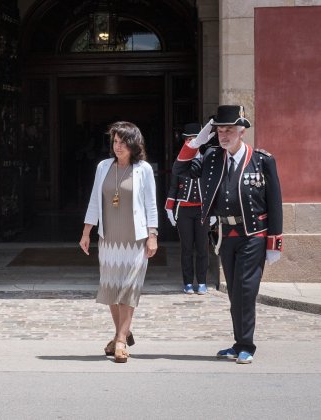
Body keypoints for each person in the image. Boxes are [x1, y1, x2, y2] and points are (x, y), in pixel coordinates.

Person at [172, 105, 283, 364]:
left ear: (242, 131)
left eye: (229, 130)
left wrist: (274, 242)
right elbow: (180, 170)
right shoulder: (212, 158)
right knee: (234, 290)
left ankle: (246, 345)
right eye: (220, 130)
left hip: (253, 234)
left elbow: (275, 203)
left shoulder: (262, 160)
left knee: (245, 289)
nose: (223, 135)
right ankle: (238, 343)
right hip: (225, 234)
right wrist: (197, 142)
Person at [79, 121, 158, 363]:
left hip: (135, 239)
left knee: (128, 289)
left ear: (134, 144)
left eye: (123, 142)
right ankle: (120, 334)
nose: (118, 146)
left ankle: (121, 340)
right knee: (111, 289)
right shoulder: (103, 166)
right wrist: (86, 232)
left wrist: (152, 235)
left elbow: (151, 204)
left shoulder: (143, 169)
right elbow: (95, 200)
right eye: (115, 141)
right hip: (109, 239)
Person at [165, 123, 210, 295]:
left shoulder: (208, 160)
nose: (191, 142)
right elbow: (173, 187)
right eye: (189, 139)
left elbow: (214, 188)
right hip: (184, 210)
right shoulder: (180, 162)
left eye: (194, 139)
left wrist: (214, 211)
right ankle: (188, 283)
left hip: (203, 211)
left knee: (202, 247)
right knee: (186, 249)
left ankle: (203, 282)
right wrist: (169, 208)